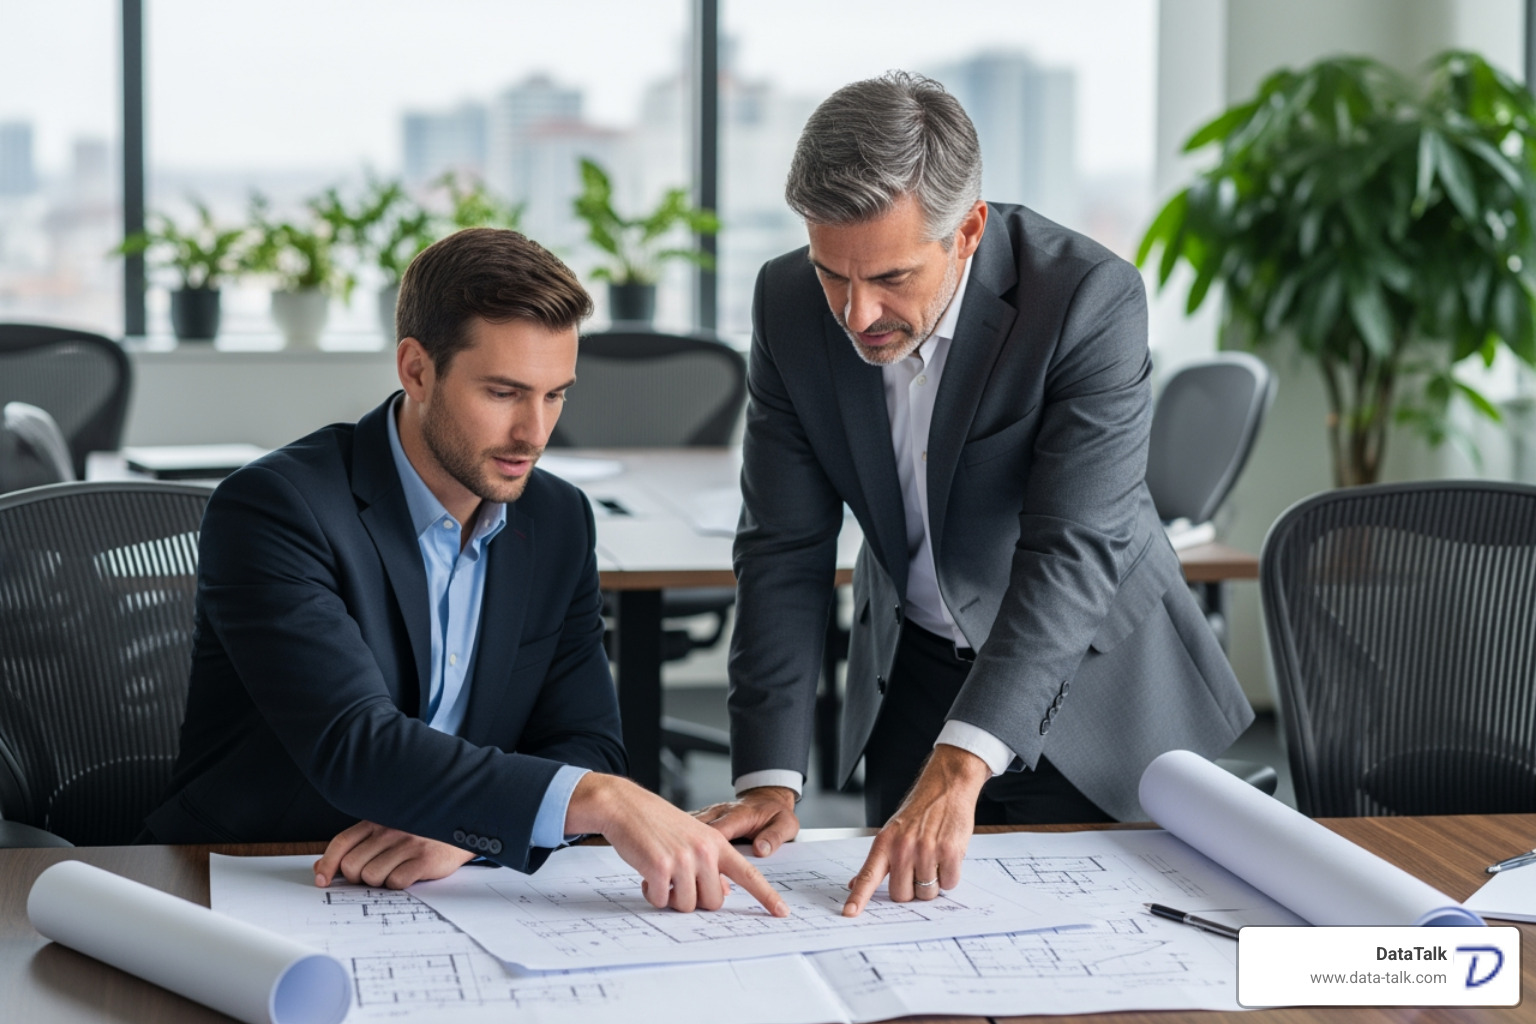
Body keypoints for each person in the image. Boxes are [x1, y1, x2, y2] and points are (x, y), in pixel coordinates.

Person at [699, 73, 1253, 915]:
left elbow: (1071, 549)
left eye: (889, 276)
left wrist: (962, 764)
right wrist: (768, 777)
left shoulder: (1084, 298)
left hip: (1090, 685)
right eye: (831, 275)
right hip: (914, 672)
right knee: (908, 949)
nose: (855, 313)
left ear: (968, 231)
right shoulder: (785, 302)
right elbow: (783, 545)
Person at [145, 227, 786, 918]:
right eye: (505, 393)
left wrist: (464, 834)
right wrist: (599, 799)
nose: (535, 434)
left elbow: (587, 738)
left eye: (555, 395)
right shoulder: (278, 508)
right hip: (266, 875)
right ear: (416, 369)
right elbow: (353, 744)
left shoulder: (557, 518)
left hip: (451, 891)